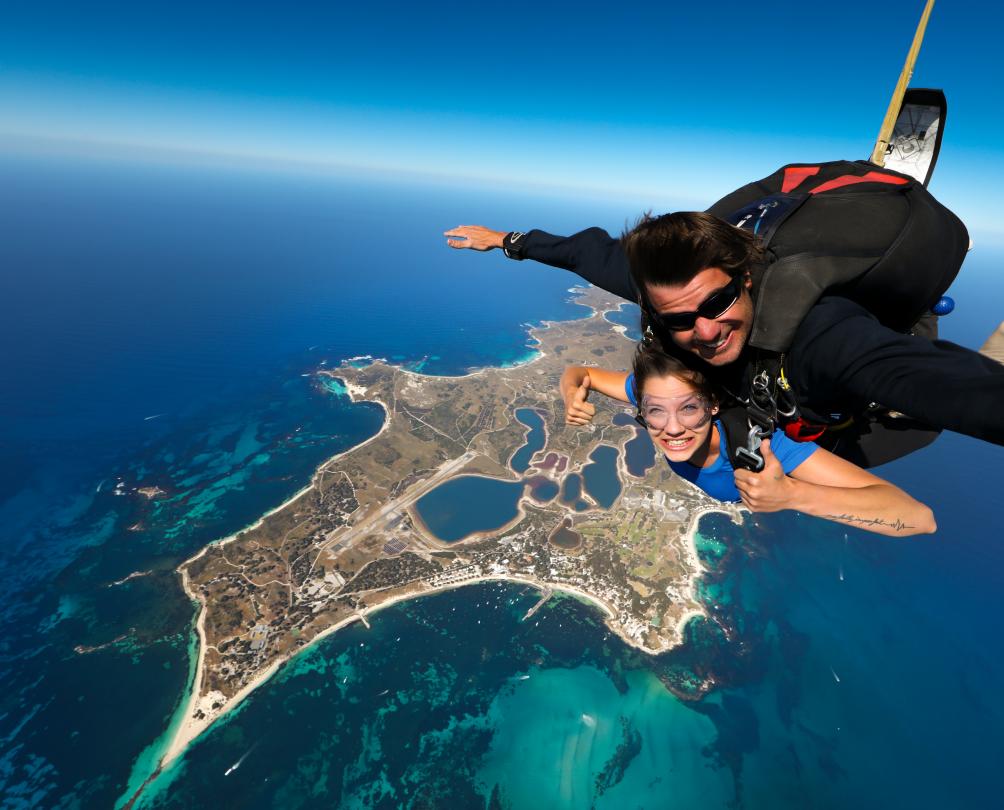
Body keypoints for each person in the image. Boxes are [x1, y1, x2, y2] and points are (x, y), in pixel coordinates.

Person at [445, 160, 1004, 470]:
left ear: (746, 277)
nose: (705, 331)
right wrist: (504, 240)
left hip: (841, 384)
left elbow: (927, 380)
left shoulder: (818, 335)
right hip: (763, 390)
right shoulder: (664, 293)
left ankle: (921, 311)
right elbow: (584, 252)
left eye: (717, 304)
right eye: (680, 320)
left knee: (900, 434)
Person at [559, 345, 936, 537]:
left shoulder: (762, 447)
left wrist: (792, 495)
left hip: (859, 436)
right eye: (655, 411)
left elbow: (920, 519)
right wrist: (570, 395)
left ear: (714, 406)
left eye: (689, 409)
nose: (671, 428)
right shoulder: (657, 393)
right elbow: (580, 373)